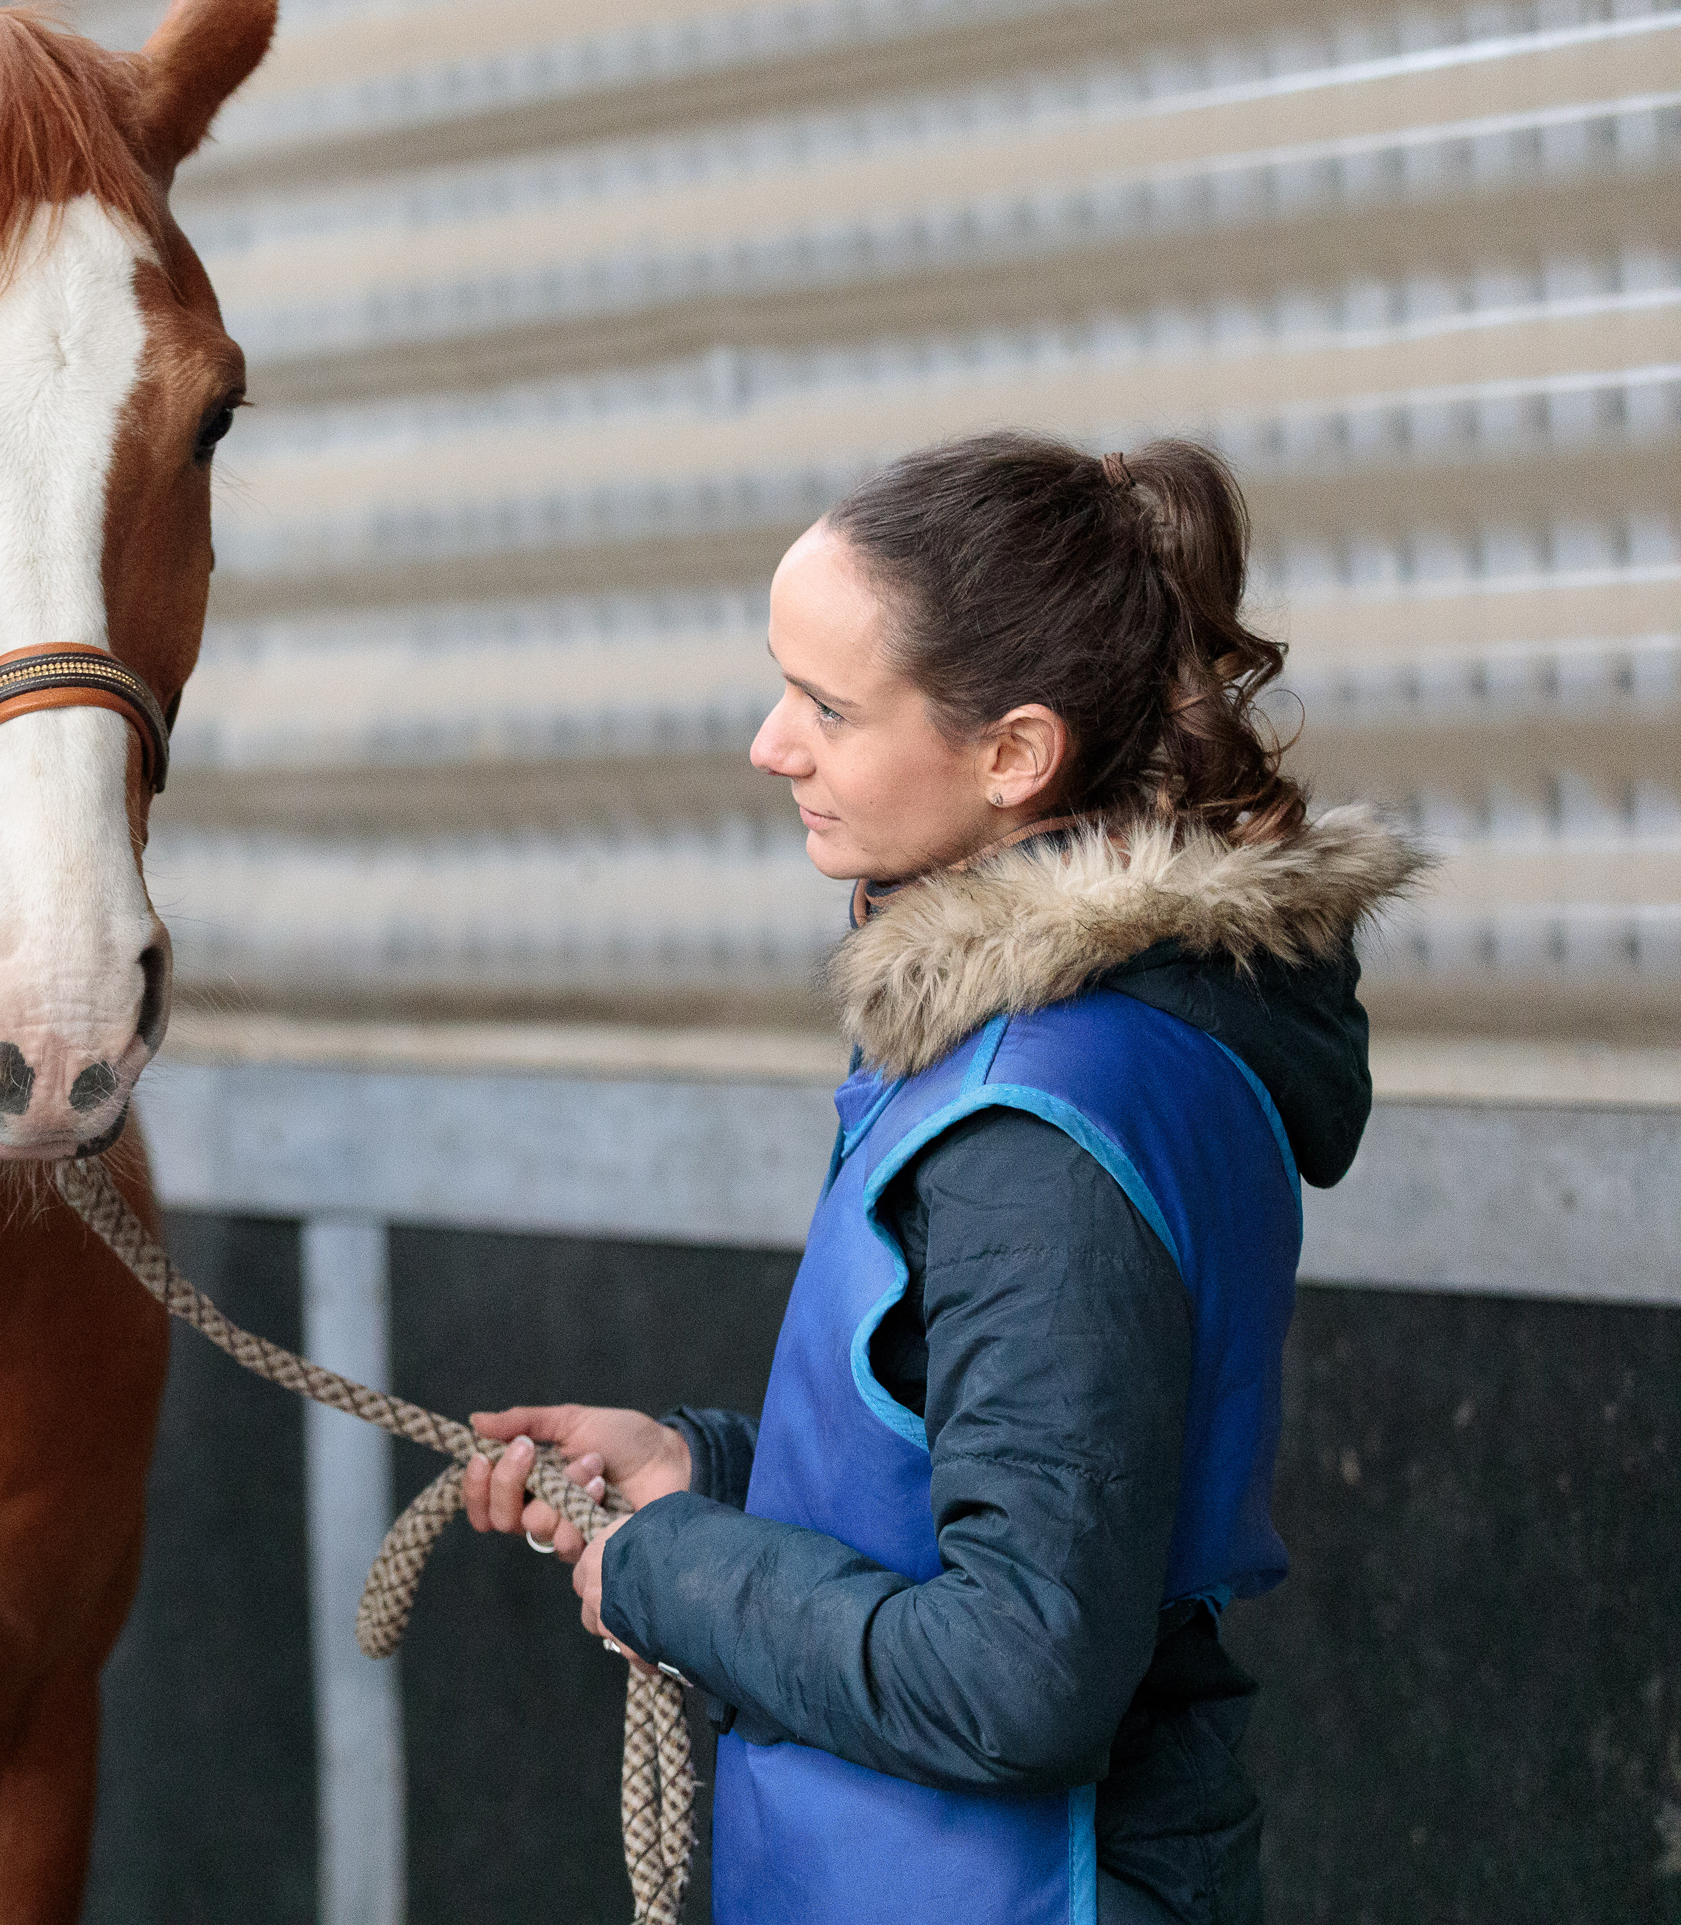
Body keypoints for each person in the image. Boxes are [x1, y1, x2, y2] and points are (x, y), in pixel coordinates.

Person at [463, 434, 1419, 1923]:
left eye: (828, 707)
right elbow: (998, 1477)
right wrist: (699, 1473)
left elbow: (1015, 1678)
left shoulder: (1040, 1119)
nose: (770, 745)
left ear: (1012, 755)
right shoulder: (1073, 1048)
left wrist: (670, 1573)